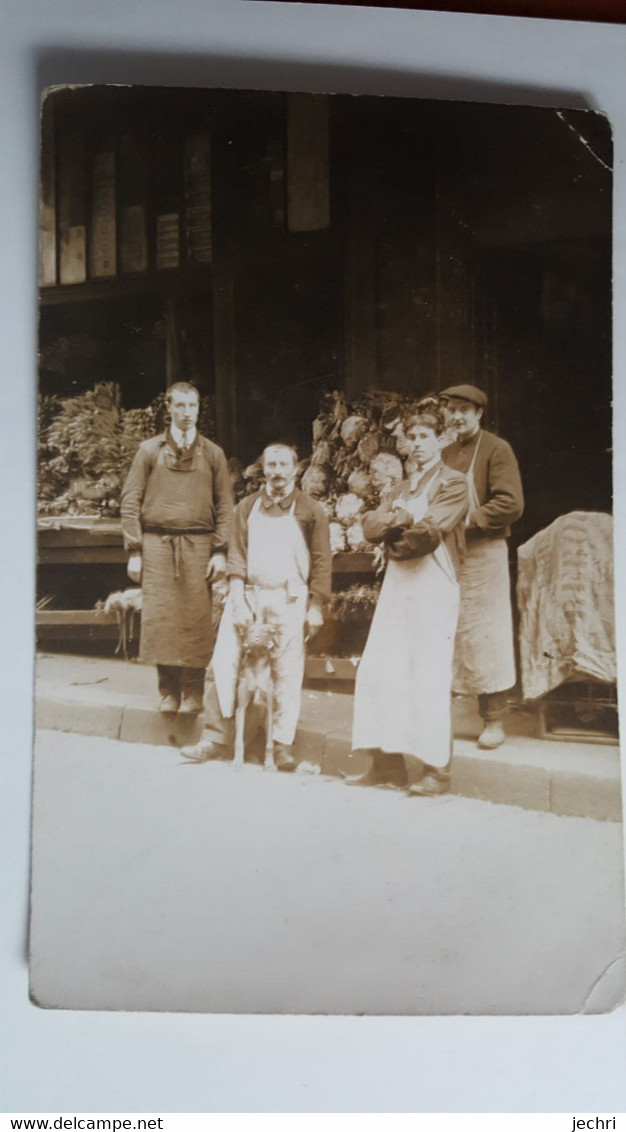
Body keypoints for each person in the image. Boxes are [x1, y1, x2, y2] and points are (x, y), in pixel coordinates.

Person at [181, 443, 332, 770]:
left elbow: (321, 560)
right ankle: (215, 737)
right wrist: (237, 596)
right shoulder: (247, 507)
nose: (277, 471)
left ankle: (281, 746)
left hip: (289, 599)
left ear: (296, 469)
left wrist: (316, 604)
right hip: (249, 596)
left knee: (287, 672)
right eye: (271, 465)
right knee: (224, 662)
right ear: (263, 468)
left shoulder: (310, 510)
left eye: (283, 465)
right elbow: (236, 552)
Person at [348, 399, 469, 797]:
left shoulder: (453, 483)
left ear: (441, 441)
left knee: (428, 675)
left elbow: (428, 535)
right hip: (398, 589)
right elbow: (368, 525)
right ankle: (387, 764)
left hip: (434, 586)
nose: (417, 444)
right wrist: (400, 519)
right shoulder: (400, 488)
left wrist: (394, 526)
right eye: (412, 437)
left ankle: (436, 771)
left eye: (425, 437)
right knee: (380, 669)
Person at [120, 382, 233, 713]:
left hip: (199, 545)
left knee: (196, 618)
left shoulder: (213, 454)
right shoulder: (149, 451)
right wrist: (135, 550)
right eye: (180, 406)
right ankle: (168, 690)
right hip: (157, 544)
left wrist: (219, 551)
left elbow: (226, 505)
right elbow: (130, 500)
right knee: (163, 617)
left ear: (199, 409)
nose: (186, 413)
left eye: (192, 406)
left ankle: (193, 693)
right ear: (169, 408)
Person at [440, 383, 524, 749]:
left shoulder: (496, 449)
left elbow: (511, 503)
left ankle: (493, 722)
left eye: (464, 410)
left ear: (479, 414)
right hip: (449, 554)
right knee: (450, 633)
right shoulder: (444, 452)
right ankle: (443, 717)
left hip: (485, 552)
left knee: (486, 638)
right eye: (452, 410)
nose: (456, 416)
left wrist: (468, 519)